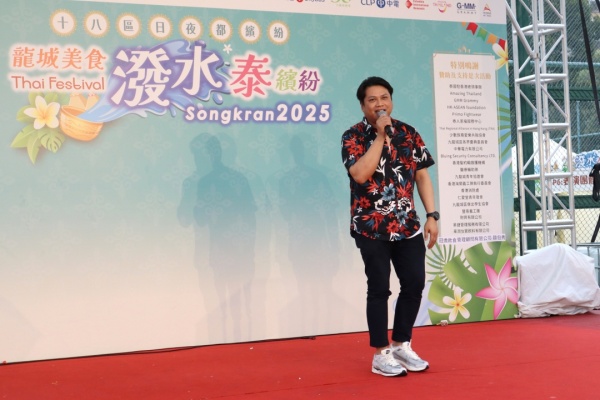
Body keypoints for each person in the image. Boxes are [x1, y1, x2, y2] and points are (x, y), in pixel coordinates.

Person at [341, 76, 439, 377]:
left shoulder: (409, 133)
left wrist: (432, 215)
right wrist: (380, 137)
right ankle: (380, 353)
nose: (379, 104)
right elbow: (360, 174)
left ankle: (401, 344)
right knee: (379, 288)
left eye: (384, 98)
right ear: (363, 106)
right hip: (370, 226)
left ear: (391, 101)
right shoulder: (353, 136)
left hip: (407, 224)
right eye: (372, 100)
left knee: (414, 284)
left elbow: (421, 175)